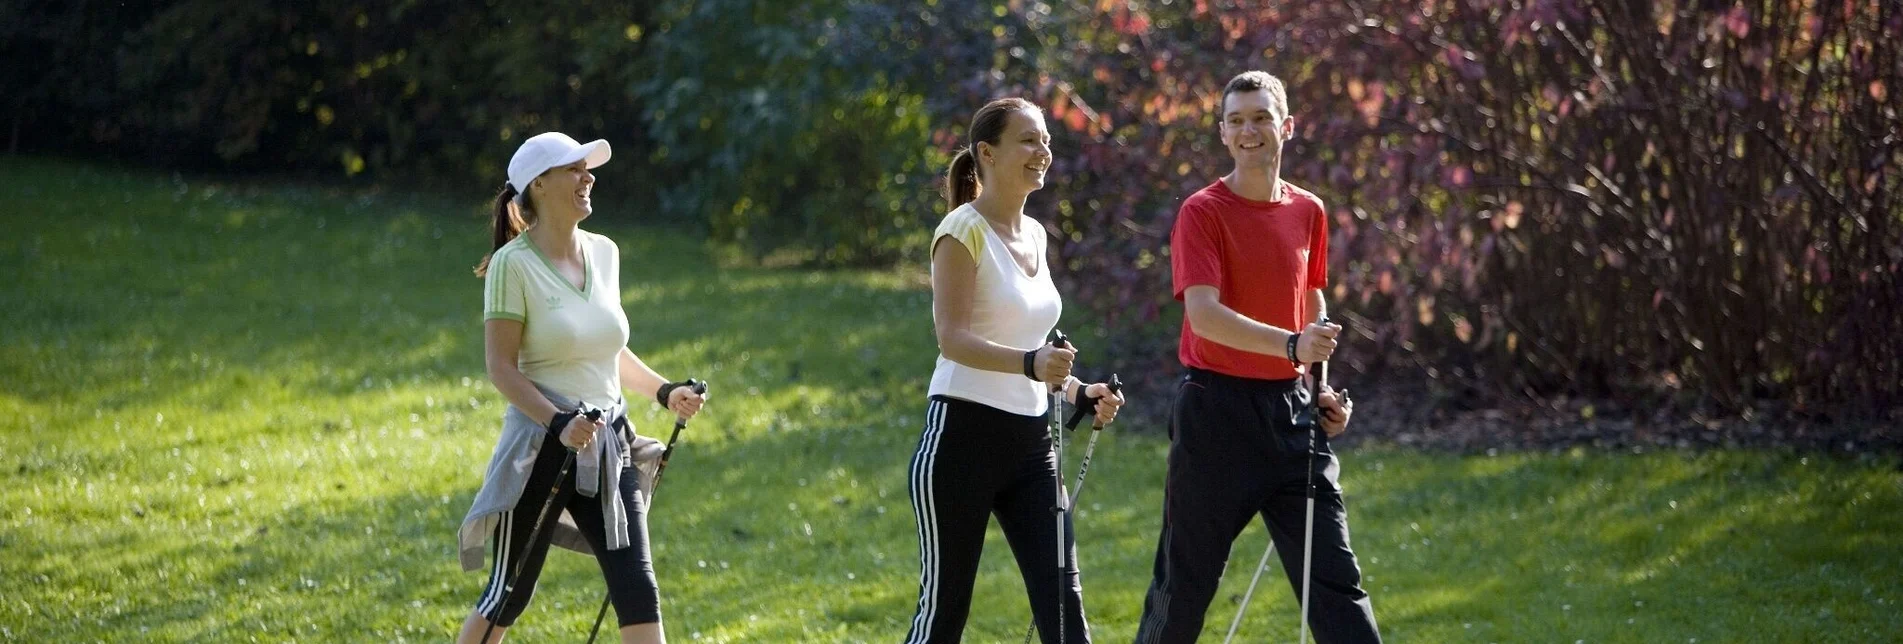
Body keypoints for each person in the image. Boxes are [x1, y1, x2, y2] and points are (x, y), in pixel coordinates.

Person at [1132, 71, 1380, 643]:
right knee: (1183, 588)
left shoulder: (1309, 212)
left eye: (1261, 117)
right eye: (1237, 120)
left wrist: (1321, 385)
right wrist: (1290, 346)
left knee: (1336, 584)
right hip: (1215, 417)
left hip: (1294, 419)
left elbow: (1311, 301)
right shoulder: (1202, 212)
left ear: (1286, 126)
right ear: (1223, 133)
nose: (1250, 131)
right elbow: (1205, 316)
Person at [455, 132, 707, 644]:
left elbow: (605, 347)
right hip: (541, 449)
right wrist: (558, 422)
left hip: (608, 443)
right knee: (509, 592)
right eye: (575, 169)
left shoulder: (605, 252)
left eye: (588, 169)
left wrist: (664, 392)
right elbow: (501, 367)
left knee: (638, 587)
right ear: (540, 185)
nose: (588, 177)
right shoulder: (513, 265)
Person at [904, 97, 1127, 644]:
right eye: (1028, 140)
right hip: (961, 441)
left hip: (1031, 447)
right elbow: (953, 340)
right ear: (988, 153)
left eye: (1045, 140)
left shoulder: (1036, 233)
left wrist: (1077, 390)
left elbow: (1032, 342)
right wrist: (1032, 364)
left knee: (1063, 609)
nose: (1042, 151)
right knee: (944, 614)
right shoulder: (961, 231)